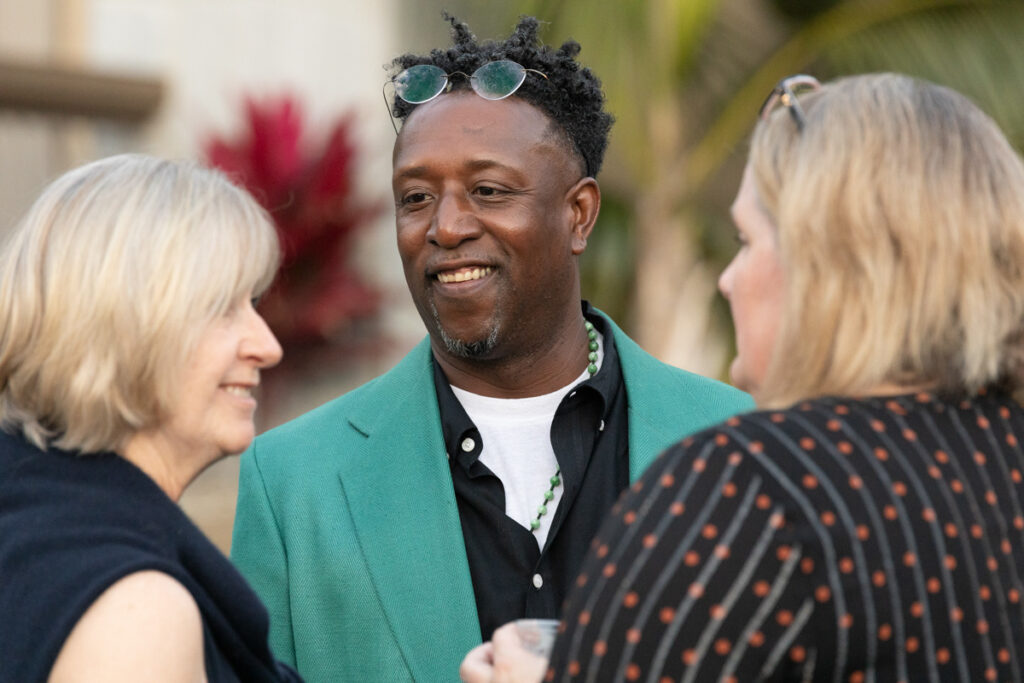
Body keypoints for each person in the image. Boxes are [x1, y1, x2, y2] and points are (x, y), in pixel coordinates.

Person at [230, 14, 753, 683]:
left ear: (579, 214)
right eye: (415, 197)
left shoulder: (738, 439)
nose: (445, 226)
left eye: (488, 190)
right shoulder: (292, 482)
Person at [461, 71, 1024, 682]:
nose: (729, 278)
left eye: (746, 240)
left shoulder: (753, 485)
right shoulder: (1001, 453)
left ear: (832, 266)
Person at [0, 154, 301, 682]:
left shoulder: (33, 514)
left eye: (251, 303)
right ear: (121, 322)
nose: (267, 346)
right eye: (220, 307)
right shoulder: (134, 610)